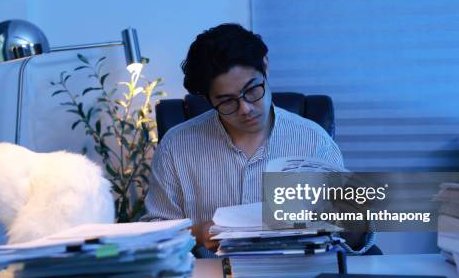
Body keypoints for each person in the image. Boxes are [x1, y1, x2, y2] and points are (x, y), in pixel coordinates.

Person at [142, 23, 374, 256]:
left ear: (265, 66)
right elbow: (155, 235)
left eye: (252, 91)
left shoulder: (314, 141)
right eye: (226, 101)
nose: (245, 109)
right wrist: (197, 233)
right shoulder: (177, 145)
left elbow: (351, 242)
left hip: (295, 276)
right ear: (208, 98)